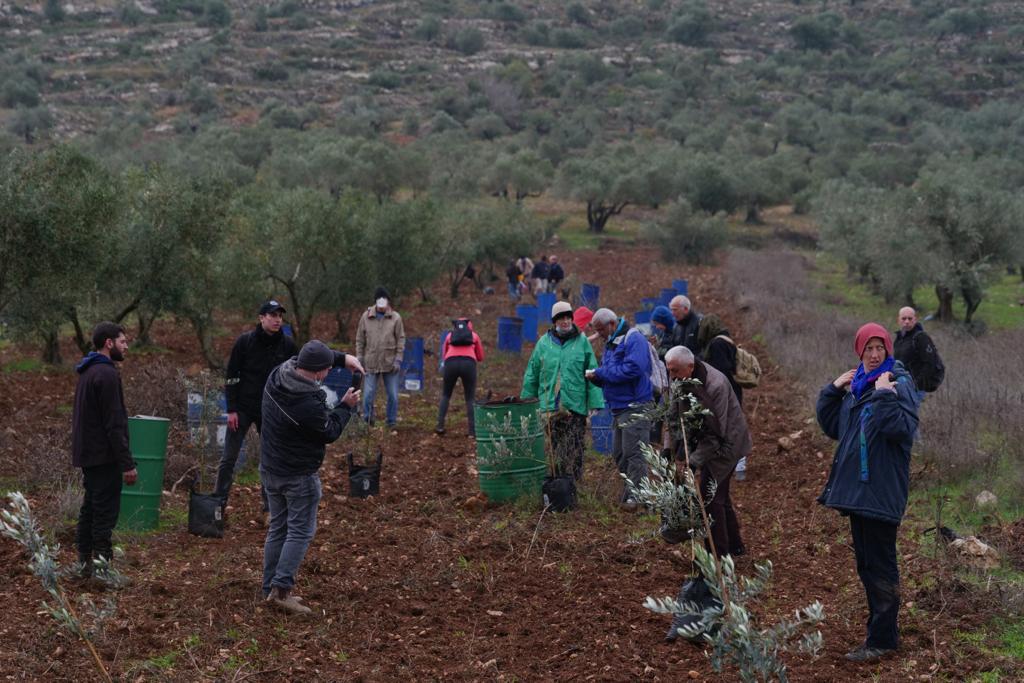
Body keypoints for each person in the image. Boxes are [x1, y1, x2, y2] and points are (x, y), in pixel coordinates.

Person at [816, 323, 918, 662]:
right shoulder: (858, 386)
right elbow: (835, 427)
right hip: (860, 493)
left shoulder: (899, 384)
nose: (874, 355)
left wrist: (886, 395)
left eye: (880, 349)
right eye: (868, 349)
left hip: (881, 491)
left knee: (880, 567)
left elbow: (901, 430)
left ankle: (883, 640)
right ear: (859, 352)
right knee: (867, 566)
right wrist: (833, 391)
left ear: (888, 350)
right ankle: (880, 633)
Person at [261, 340, 363, 615]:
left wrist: (344, 359)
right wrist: (346, 407)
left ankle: (269, 586)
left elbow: (307, 355)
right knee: (299, 531)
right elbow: (328, 432)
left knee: (278, 528)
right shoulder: (306, 404)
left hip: (270, 468)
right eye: (328, 368)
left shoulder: (278, 375)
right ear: (319, 373)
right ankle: (281, 591)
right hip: (298, 476)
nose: (330, 372)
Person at [664, 345, 750, 558]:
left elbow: (715, 436)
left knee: (710, 498)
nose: (671, 376)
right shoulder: (679, 379)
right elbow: (672, 418)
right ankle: (736, 547)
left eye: (674, 371)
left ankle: (716, 558)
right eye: (669, 370)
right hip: (706, 440)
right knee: (720, 495)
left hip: (728, 444)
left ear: (690, 367)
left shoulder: (716, 385)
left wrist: (692, 462)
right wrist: (668, 449)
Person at [216, 300, 297, 512]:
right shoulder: (245, 342)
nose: (277, 319)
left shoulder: (288, 345)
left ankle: (269, 509)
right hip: (243, 408)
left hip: (271, 411)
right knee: (229, 458)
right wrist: (231, 409)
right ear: (261, 318)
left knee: (270, 460)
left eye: (280, 316)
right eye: (272, 315)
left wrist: (287, 407)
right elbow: (232, 376)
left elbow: (295, 377)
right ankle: (217, 505)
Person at [72, 322, 138, 577]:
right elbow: (114, 424)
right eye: (122, 341)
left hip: (89, 454)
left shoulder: (88, 371)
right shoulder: (106, 374)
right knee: (103, 513)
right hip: (103, 456)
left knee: (90, 507)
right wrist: (127, 463)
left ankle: (84, 564)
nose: (126, 346)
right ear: (109, 343)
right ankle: (101, 569)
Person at [521, 302, 605, 480]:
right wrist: (526, 401)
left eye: (568, 317)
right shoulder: (543, 344)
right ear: (554, 321)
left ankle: (575, 483)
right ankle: (558, 482)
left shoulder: (581, 341)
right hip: (550, 407)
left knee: (576, 445)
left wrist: (595, 402)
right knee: (556, 446)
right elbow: (532, 374)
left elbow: (592, 371)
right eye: (561, 318)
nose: (565, 321)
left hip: (575, 405)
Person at [585, 308, 654, 509]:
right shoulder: (611, 343)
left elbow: (633, 369)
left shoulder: (634, 339)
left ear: (612, 324)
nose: (599, 334)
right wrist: (597, 378)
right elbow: (611, 376)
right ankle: (631, 490)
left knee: (634, 453)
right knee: (620, 454)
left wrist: (602, 373)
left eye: (600, 329)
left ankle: (639, 496)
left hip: (635, 405)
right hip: (618, 407)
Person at [356, 287, 406, 433]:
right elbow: (359, 339)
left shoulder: (396, 318)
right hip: (371, 362)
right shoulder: (365, 317)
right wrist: (360, 357)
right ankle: (368, 420)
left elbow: (401, 339)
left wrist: (398, 359)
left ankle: (391, 422)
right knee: (367, 396)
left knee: (393, 395)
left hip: (390, 363)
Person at [436, 318, 485, 437]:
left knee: (446, 394)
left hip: (451, 363)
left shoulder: (449, 336)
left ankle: (440, 426)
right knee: (469, 398)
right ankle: (472, 432)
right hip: (468, 364)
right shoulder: (474, 336)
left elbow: (444, 355)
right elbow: (480, 357)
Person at [893, 306, 944, 404]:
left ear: (915, 320)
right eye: (904, 318)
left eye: (910, 318)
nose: (907, 321)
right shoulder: (899, 339)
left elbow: (930, 363)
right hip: (902, 385)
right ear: (898, 320)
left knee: (910, 415)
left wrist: (916, 384)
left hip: (916, 388)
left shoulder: (921, 338)